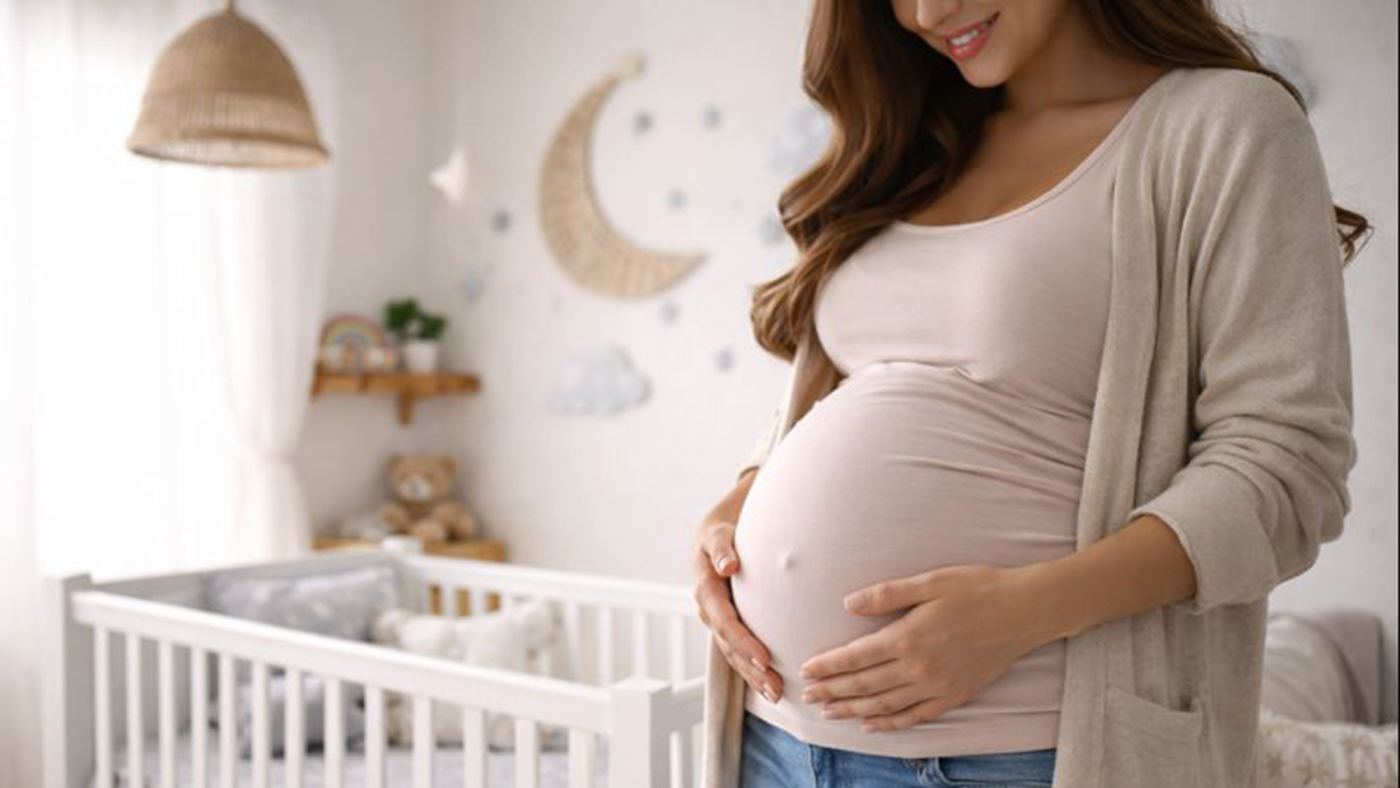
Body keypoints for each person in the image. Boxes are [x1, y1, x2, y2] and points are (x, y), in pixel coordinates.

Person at [692, 1, 1369, 787]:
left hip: (1014, 756)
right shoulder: (921, 138)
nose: (926, 13)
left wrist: (1025, 612)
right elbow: (847, 388)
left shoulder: (1223, 125)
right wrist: (737, 505)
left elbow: (1289, 466)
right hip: (774, 739)